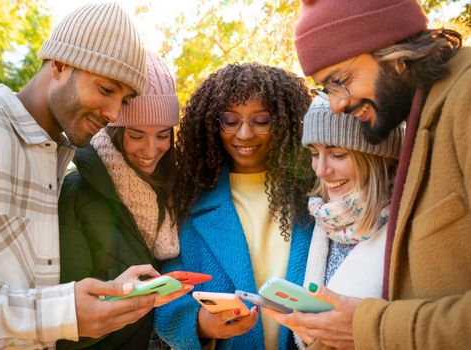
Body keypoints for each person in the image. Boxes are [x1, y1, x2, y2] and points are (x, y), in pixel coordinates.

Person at [0, 3, 186, 348]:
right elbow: (46, 312)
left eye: (125, 99)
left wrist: (108, 295)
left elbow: (28, 297)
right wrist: (60, 312)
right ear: (59, 63)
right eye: (106, 90)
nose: (113, 113)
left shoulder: (55, 156)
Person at [273, 0, 470, 348]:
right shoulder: (426, 113)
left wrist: (369, 328)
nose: (336, 104)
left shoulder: (464, 98)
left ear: (391, 50)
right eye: (325, 88)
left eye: (339, 80)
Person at [154, 62, 315, 350]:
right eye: (230, 121)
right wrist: (200, 324)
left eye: (261, 120)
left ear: (285, 122)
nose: (243, 134)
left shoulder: (315, 197)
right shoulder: (188, 204)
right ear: (213, 125)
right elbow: (167, 294)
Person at [56, 51, 184, 349]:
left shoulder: (177, 192)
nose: (151, 150)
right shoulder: (76, 194)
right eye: (136, 135)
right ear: (113, 131)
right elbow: (66, 327)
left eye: (163, 135)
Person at [263, 97, 403, 348]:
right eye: (315, 153)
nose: (320, 170)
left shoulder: (405, 223)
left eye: (337, 154)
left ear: (379, 157)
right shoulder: (325, 218)